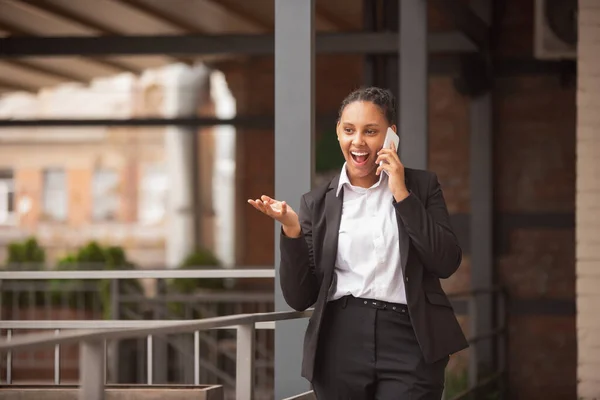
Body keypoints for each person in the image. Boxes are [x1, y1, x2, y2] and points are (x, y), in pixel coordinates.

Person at [248, 87, 468, 399]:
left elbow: (446, 262)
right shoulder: (316, 203)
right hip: (340, 340)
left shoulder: (421, 187)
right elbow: (299, 297)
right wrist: (292, 230)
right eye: (349, 130)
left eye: (371, 131)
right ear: (338, 132)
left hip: (411, 338)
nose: (358, 142)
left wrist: (401, 194)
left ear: (391, 136)